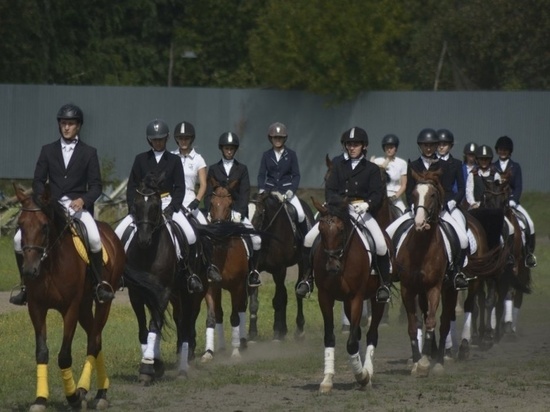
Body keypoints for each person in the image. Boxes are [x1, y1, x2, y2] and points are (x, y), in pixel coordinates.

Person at [10, 103, 115, 305]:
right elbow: (38, 181)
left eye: (71, 124)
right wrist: (45, 200)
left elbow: (96, 186)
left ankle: (98, 285)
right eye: (64, 123)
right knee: (17, 240)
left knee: (93, 238)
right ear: (59, 125)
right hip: (51, 207)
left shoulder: (89, 152)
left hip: (77, 208)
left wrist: (83, 200)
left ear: (78, 126)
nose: (67, 127)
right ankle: (25, 286)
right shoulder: (47, 150)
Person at [115, 119, 219, 294]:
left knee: (191, 234)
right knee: (118, 233)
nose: (158, 142)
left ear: (166, 139)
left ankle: (190, 273)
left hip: (167, 203)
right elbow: (132, 186)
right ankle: (119, 273)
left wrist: (172, 207)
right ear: (150, 140)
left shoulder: (173, 160)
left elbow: (180, 188)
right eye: (155, 140)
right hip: (144, 207)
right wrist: (134, 207)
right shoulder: (140, 159)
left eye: (161, 139)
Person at [297, 127, 392, 303]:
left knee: (380, 244)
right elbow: (330, 190)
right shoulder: (339, 166)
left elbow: (377, 194)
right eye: (349, 144)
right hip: (339, 211)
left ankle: (384, 284)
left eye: (356, 144)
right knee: (309, 239)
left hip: (362, 210)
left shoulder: (371, 169)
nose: (352, 147)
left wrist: (367, 204)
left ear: (364, 146)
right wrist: (338, 205)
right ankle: (307, 278)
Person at [386, 128, 469, 290]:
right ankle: (391, 270)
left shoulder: (444, 165)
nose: (428, 148)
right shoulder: (414, 165)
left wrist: (449, 204)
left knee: (463, 238)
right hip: (417, 208)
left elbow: (449, 188)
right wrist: (413, 206)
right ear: (420, 146)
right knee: (389, 231)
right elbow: (410, 190)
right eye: (425, 145)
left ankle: (457, 272)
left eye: (431, 145)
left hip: (442, 209)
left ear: (436, 146)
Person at [205, 132, 262, 287]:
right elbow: (208, 193)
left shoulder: (242, 169)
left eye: (231, 148)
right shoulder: (213, 169)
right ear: (221, 149)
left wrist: (239, 212)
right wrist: (209, 212)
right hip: (216, 214)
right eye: (226, 148)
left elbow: (244, 193)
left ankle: (252, 272)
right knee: (203, 238)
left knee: (256, 240)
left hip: (236, 213)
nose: (229, 151)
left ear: (235, 150)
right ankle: (205, 268)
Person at [257, 122, 309, 238]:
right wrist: (261, 189)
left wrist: (292, 190)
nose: (278, 140)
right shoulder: (266, 155)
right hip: (270, 192)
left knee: (300, 214)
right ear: (271, 138)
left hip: (286, 191)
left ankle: (304, 242)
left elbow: (296, 175)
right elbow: (261, 175)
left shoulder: (291, 155)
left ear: (284, 138)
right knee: (257, 214)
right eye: (275, 137)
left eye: (280, 137)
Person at [493, 136, 537, 267]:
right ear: (497, 150)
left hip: (512, 202)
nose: (502, 152)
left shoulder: (515, 167)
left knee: (530, 222)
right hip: (498, 203)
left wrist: (513, 200)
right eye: (500, 149)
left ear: (509, 151)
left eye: (505, 150)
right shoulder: (493, 166)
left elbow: (518, 186)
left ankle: (528, 253)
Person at [171, 121, 208, 224]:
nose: (183, 141)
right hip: (172, 200)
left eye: (186, 138)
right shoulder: (170, 156)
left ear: (191, 139)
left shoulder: (198, 159)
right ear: (176, 139)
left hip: (190, 201)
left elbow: (203, 185)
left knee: (204, 227)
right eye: (180, 138)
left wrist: (196, 201)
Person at [371, 134, 407, 212]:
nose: (389, 150)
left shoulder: (402, 163)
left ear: (396, 148)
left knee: (405, 214)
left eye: (391, 147)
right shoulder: (377, 161)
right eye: (387, 147)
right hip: (380, 195)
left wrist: (395, 197)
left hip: (395, 196)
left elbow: (404, 185)